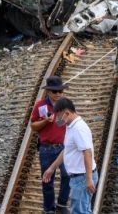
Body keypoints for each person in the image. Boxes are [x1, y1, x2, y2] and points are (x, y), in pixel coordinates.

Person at [42, 98, 98, 214]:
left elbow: (87, 152)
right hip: (79, 178)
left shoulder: (78, 129)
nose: (57, 120)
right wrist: (52, 168)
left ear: (67, 113)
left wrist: (88, 179)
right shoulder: (71, 126)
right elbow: (67, 150)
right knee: (83, 210)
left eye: (59, 116)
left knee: (79, 211)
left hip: (82, 178)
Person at [30, 76, 70, 214]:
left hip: (63, 148)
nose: (58, 94)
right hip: (46, 148)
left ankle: (62, 203)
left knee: (67, 175)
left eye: (60, 91)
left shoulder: (66, 105)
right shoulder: (40, 106)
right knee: (47, 180)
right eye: (55, 92)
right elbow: (33, 126)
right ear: (48, 92)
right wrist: (45, 121)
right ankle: (49, 208)